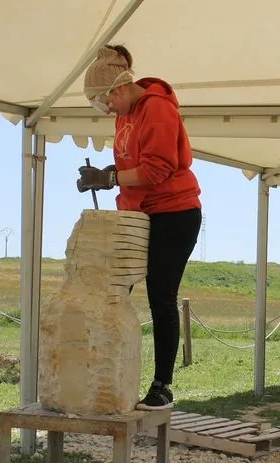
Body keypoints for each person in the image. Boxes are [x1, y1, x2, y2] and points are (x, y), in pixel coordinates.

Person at [76, 45, 202, 411]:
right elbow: (130, 168)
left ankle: (163, 385)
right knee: (113, 289)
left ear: (117, 89)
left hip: (175, 213)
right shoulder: (125, 115)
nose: (106, 110)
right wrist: (101, 176)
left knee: (161, 295)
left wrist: (110, 176)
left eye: (102, 102)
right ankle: (103, 375)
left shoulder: (158, 109)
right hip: (139, 213)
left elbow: (156, 170)